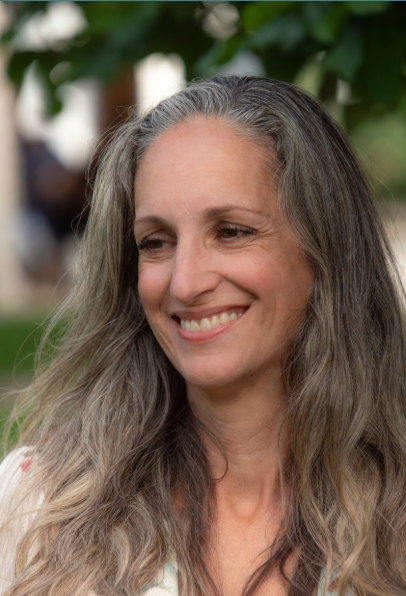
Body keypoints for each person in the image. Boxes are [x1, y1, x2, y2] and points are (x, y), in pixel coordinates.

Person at [1, 75, 406, 596]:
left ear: (324, 248)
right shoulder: (40, 511)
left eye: (231, 232)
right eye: (156, 242)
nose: (185, 283)